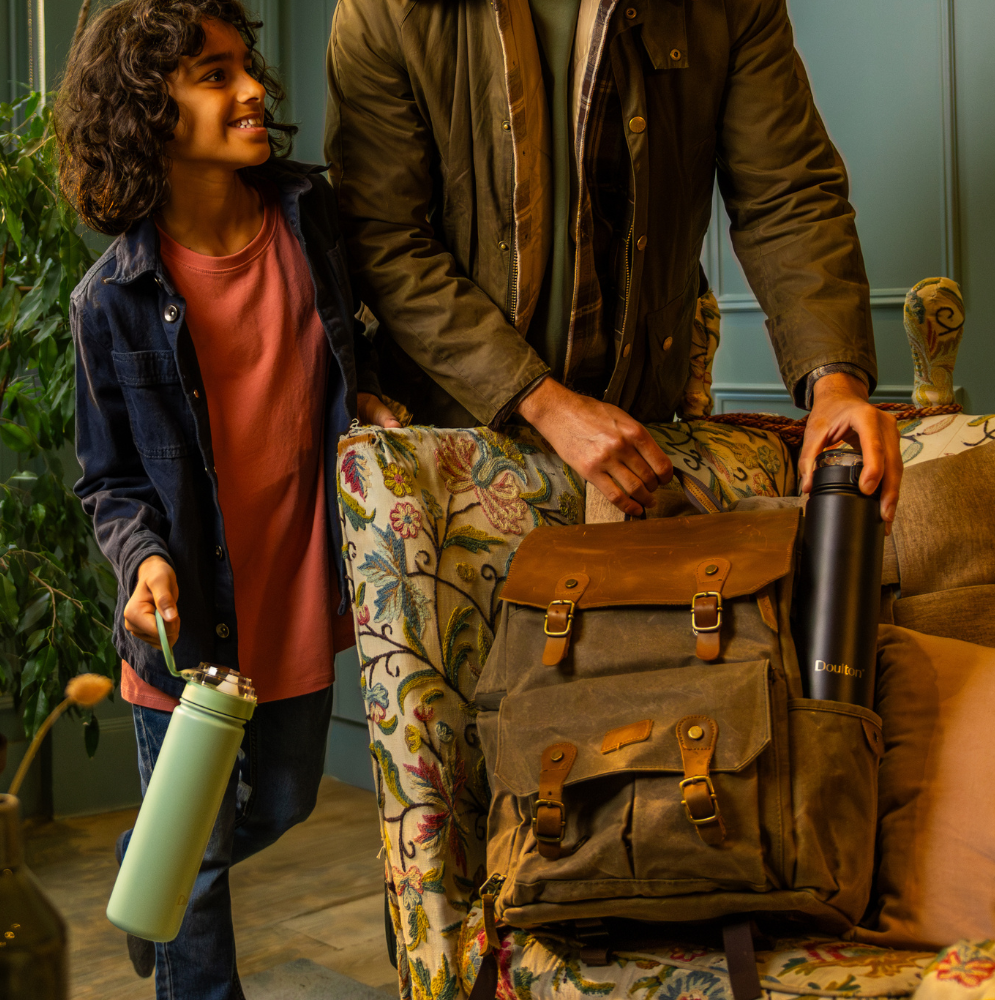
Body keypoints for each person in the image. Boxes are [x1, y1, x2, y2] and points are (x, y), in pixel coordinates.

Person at [57, 1, 397, 996]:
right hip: (186, 620)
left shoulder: (308, 214)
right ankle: (171, 885)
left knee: (286, 799)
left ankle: (143, 864)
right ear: (145, 111)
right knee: (197, 878)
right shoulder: (109, 298)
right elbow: (108, 476)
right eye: (214, 74)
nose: (253, 89)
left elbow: (354, 337)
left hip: (298, 589)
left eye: (246, 64)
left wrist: (370, 394)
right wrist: (142, 559)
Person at [325, 0, 902, 521]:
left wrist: (836, 383)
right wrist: (545, 401)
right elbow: (382, 235)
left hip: (640, 435)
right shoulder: (382, 9)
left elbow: (789, 195)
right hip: (448, 438)